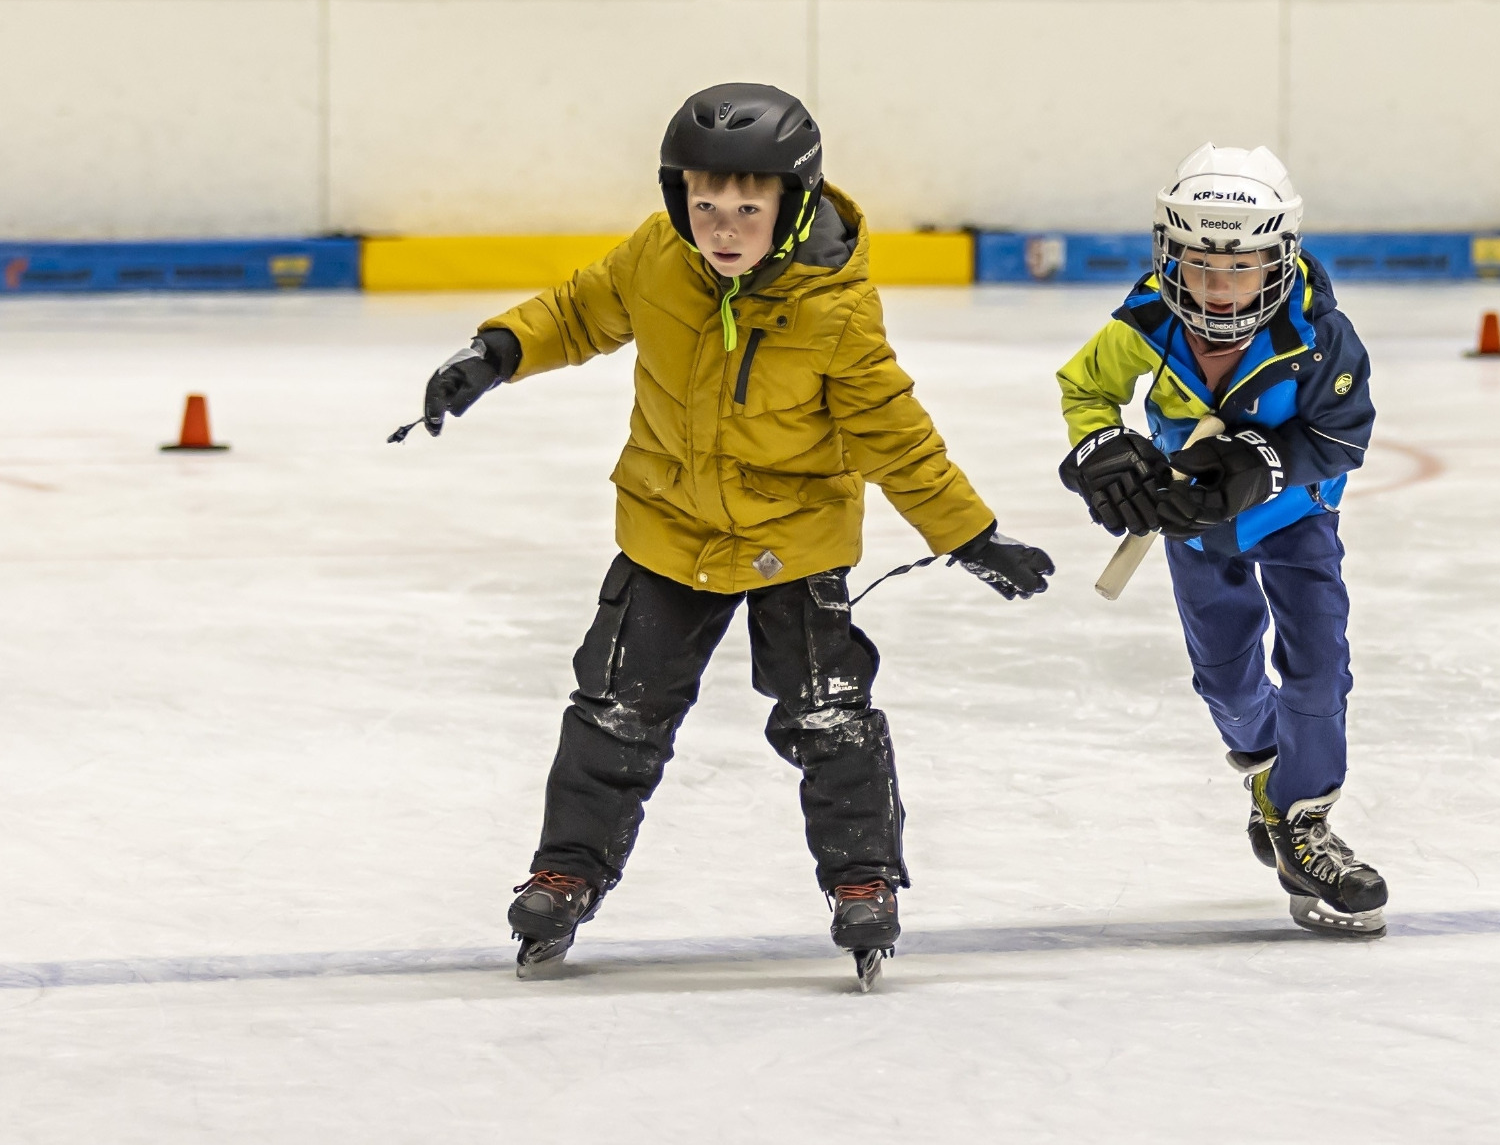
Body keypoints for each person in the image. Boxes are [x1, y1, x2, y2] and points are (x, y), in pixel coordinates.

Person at [415, 82, 1054, 980]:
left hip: (793, 540)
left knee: (828, 714)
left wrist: (971, 535)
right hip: (668, 529)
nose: (720, 228)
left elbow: (895, 434)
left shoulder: (835, 309)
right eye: (704, 204)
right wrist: (495, 353)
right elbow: (575, 310)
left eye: (746, 209)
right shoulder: (657, 258)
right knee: (616, 710)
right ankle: (566, 871)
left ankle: (863, 879)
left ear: (789, 207)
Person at [1055, 144, 1387, 936]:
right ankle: (1270, 777)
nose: (1216, 287)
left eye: (1240, 268)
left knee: (1318, 668)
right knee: (1229, 685)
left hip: (1296, 518)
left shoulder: (1319, 335)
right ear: (1170, 255)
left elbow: (1344, 437)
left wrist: (1262, 461)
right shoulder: (1148, 320)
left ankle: (1304, 821)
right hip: (1192, 526)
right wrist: (1099, 450)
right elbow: (1085, 387)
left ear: (1280, 259)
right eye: (1199, 265)